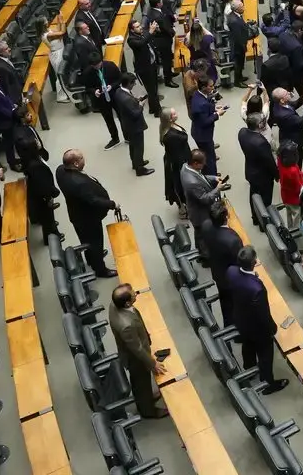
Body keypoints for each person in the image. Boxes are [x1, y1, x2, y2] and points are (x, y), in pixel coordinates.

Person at [227, 246, 289, 394]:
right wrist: (272, 328)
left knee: (247, 344)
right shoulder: (256, 289)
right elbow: (263, 314)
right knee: (265, 354)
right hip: (258, 329)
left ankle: (249, 368)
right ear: (254, 262)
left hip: (240, 319)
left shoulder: (231, 271)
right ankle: (267, 384)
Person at [108, 284, 169, 418]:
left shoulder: (114, 304)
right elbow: (137, 349)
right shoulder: (126, 325)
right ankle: (148, 411)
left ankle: (147, 397)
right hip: (135, 359)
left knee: (142, 382)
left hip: (134, 346)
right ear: (127, 303)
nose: (135, 293)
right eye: (133, 294)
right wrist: (153, 363)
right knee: (141, 382)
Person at [55, 149, 118, 277]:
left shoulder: (60, 170)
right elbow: (93, 200)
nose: (84, 159)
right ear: (76, 163)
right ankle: (100, 270)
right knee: (96, 243)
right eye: (82, 158)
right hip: (89, 218)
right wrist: (112, 204)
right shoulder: (80, 183)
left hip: (76, 214)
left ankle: (91, 258)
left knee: (85, 239)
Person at [14, 107, 61, 244]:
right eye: (28, 114)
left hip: (37, 169)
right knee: (47, 214)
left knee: (44, 212)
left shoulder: (26, 131)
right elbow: (43, 184)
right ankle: (51, 236)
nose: (31, 115)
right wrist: (52, 193)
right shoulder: (35, 165)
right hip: (43, 192)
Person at [181, 149, 225, 263]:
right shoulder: (192, 182)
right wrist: (218, 189)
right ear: (195, 163)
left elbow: (200, 177)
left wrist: (213, 178)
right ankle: (206, 259)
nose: (204, 165)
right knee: (203, 235)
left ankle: (200, 253)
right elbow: (205, 199)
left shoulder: (186, 167)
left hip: (194, 208)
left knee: (199, 234)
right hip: (200, 213)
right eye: (202, 164)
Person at [112, 73, 153, 176]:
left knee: (133, 145)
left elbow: (128, 107)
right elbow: (135, 113)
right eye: (133, 83)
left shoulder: (119, 91)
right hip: (135, 126)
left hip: (127, 124)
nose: (134, 85)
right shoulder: (127, 99)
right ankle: (140, 169)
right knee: (139, 147)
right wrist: (141, 105)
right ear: (128, 83)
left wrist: (136, 101)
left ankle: (135, 163)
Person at [83, 52, 122, 149]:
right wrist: (94, 91)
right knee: (108, 120)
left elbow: (120, 79)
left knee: (122, 116)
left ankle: (128, 136)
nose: (97, 67)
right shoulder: (87, 72)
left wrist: (112, 86)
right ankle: (115, 139)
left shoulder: (110, 65)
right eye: (94, 66)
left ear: (101, 61)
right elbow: (87, 88)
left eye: (98, 64)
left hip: (114, 95)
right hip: (101, 99)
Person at [159, 109, 191, 218]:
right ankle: (182, 208)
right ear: (169, 119)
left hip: (179, 158)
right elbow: (177, 155)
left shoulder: (171, 126)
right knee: (178, 185)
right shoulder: (170, 136)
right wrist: (186, 165)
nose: (177, 114)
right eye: (174, 113)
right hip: (177, 164)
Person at [190, 76, 224, 177]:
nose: (213, 88)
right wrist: (217, 114)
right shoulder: (201, 104)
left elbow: (206, 105)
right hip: (203, 136)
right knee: (210, 159)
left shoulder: (198, 94)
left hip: (200, 132)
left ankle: (210, 174)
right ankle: (213, 178)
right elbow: (205, 121)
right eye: (211, 86)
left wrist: (214, 108)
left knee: (209, 155)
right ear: (204, 87)